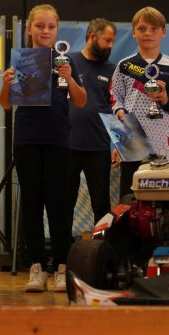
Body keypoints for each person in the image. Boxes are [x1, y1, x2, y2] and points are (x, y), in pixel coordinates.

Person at [0, 4, 87, 293]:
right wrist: (6, 84)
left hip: (58, 140)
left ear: (57, 30)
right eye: (39, 26)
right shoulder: (21, 61)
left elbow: (81, 100)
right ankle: (36, 267)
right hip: (26, 139)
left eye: (50, 26)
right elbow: (5, 103)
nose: (45, 31)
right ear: (29, 29)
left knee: (59, 205)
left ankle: (62, 266)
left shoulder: (66, 60)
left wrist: (69, 77)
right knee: (32, 204)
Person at [111, 6, 169, 198]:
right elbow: (115, 98)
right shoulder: (124, 66)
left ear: (163, 32)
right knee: (130, 198)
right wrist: (120, 115)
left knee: (167, 198)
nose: (148, 33)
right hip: (131, 141)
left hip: (166, 141)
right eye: (142, 29)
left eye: (154, 28)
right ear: (133, 32)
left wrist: (166, 100)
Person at [67, 18, 117, 230]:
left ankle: (102, 245)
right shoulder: (67, 61)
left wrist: (119, 145)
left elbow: (117, 108)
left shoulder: (113, 69)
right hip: (67, 145)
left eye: (113, 41)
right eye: (107, 40)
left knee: (101, 204)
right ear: (93, 37)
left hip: (98, 145)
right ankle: (64, 247)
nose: (111, 46)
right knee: (64, 202)